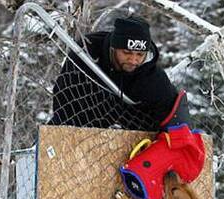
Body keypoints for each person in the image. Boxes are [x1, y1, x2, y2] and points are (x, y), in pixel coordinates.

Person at [50, 16, 190, 131]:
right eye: (127, 52)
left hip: (133, 136)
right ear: (113, 48)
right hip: (79, 123)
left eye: (140, 54)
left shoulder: (151, 74)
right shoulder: (86, 51)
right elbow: (63, 95)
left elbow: (175, 119)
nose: (133, 60)